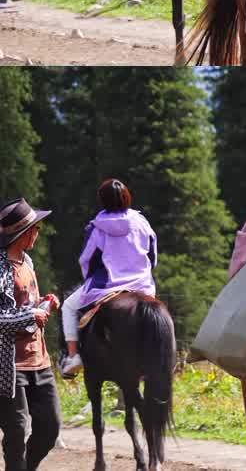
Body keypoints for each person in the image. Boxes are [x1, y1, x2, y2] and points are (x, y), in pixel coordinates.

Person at [59, 179, 158, 379]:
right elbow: (153, 254)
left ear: (102, 200)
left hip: (106, 286)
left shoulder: (96, 227)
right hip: (142, 285)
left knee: (68, 307)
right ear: (126, 197)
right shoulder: (141, 222)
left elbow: (85, 259)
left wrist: (89, 279)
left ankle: (73, 356)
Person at [0, 198, 60, 471]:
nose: (37, 233)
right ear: (22, 234)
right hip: (10, 367)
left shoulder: (28, 261)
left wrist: (43, 305)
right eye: (34, 229)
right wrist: (30, 315)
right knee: (16, 433)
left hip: (41, 362)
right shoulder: (1, 268)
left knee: (50, 428)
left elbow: (26, 305)